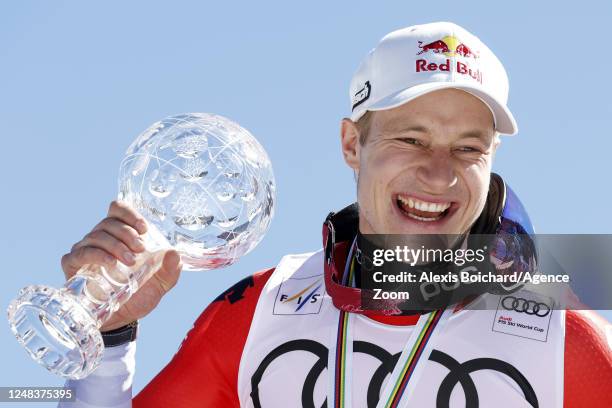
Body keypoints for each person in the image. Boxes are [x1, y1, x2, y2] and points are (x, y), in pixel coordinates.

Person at [59, 22, 612, 407]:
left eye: (469, 149)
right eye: (412, 139)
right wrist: (108, 336)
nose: (440, 174)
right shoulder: (260, 312)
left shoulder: (569, 340)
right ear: (352, 144)